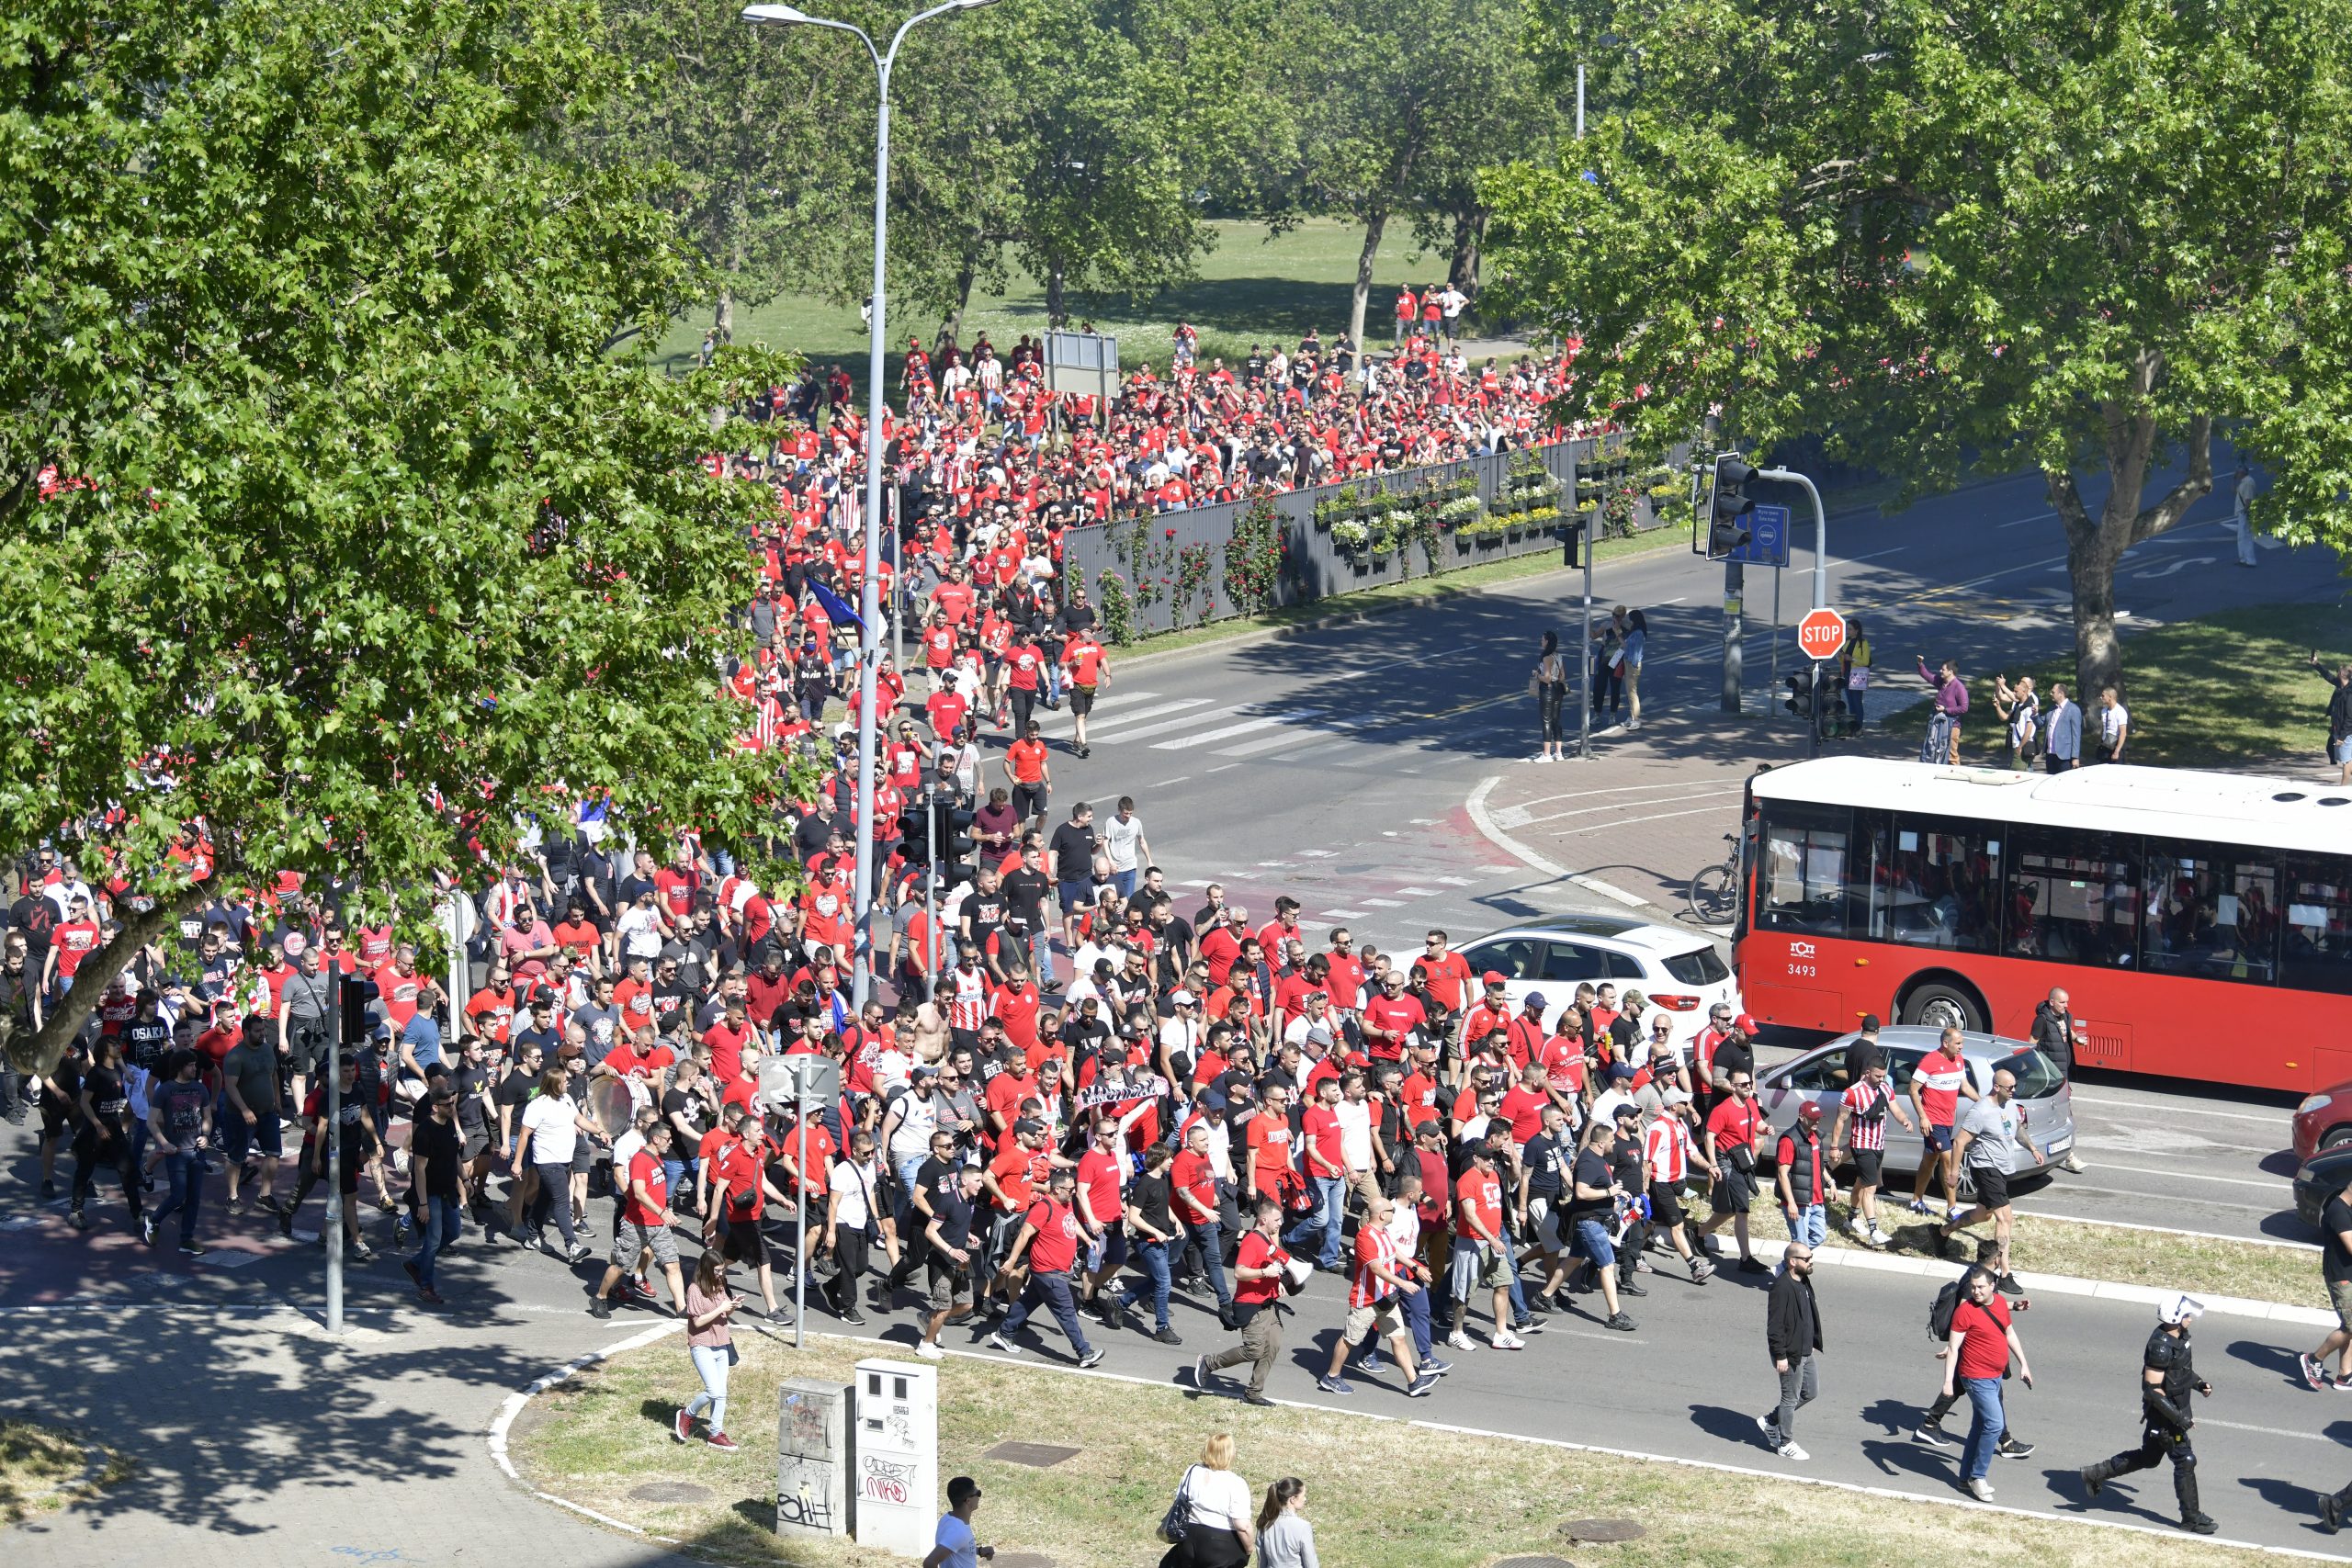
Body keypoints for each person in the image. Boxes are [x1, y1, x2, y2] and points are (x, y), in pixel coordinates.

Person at [2078, 1293, 2218, 1535]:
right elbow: (2152, 1390)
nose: (2191, 1319)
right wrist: (2179, 1418)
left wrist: (2199, 1383)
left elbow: (2181, 1373)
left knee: (2150, 1458)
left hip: (2175, 1411)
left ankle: (2094, 1474)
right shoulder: (2160, 1347)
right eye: (2186, 1315)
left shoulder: (2180, 1337)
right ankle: (2191, 1518)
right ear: (2175, 1318)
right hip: (2164, 1417)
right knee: (2185, 1460)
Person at [1915, 1235, 2035, 1458]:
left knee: (1965, 1388)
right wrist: (1954, 1346)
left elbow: (1989, 1306)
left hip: (1975, 1346)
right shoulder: (1976, 1280)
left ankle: (1930, 1425)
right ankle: (2005, 1442)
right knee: (1991, 1391)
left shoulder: (1980, 1274)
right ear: (1997, 1258)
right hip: (1974, 1348)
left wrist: (2014, 1306)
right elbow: (1965, 1311)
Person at [1942, 1066, 2039, 1286]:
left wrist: (2032, 1148)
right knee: (2005, 1218)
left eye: (2015, 1086)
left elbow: (2017, 1130)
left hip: (2001, 1168)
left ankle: (1943, 1231)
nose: (2014, 1090)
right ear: (1996, 1087)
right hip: (1985, 1168)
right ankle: (2004, 1274)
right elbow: (1959, 1141)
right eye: (2010, 1087)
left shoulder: (2010, 1104)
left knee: (1981, 1215)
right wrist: (1954, 1173)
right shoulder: (1981, 1110)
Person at [1942, 1267, 2031, 1502]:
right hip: (1975, 1377)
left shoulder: (2001, 1304)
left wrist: (2024, 1364)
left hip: (1995, 1376)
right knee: (1994, 1424)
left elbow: (2009, 1334)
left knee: (1979, 1426)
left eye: (1980, 1287)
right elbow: (1953, 1348)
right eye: (1973, 1287)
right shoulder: (1964, 1311)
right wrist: (1948, 1383)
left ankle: (1964, 1478)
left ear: (1993, 1286)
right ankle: (1977, 1476)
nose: (1976, 1291)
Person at [1195, 1199, 1288, 1406]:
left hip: (1269, 1305)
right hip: (1251, 1306)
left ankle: (1253, 1394)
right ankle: (1209, 1362)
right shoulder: (1251, 1241)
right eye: (1277, 1219)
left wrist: (1277, 1282)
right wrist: (1265, 1272)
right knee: (1254, 1350)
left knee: (1272, 1346)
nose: (1280, 1223)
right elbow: (1239, 1272)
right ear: (1263, 1219)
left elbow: (1270, 1267)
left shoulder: (1269, 1239)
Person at [1828, 1054, 1911, 1247]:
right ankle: (1874, 1231)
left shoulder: (1884, 1088)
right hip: (1862, 1145)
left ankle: (1850, 1219)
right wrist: (1834, 1146)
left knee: (1860, 1184)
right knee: (1870, 1188)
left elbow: (1895, 1109)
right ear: (1867, 1073)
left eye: (1883, 1076)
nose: (1881, 1080)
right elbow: (1840, 1120)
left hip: (1878, 1145)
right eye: (1878, 1076)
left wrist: (1905, 1120)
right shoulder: (1852, 1092)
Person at [1758, 1242, 1822, 1461]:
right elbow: (1774, 1327)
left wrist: (1812, 1340)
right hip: (1789, 1354)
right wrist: (1780, 1356)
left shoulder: (1803, 1281)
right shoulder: (1781, 1287)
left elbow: (1807, 1315)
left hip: (1805, 1350)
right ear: (1792, 1261)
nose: (1811, 1261)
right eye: (1807, 1258)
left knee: (1810, 1392)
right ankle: (1785, 1443)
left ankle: (1770, 1420)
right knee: (1789, 1398)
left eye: (1811, 1257)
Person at [1158, 1431, 1254, 1568]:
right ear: (1230, 1454)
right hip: (1221, 1543)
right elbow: (1242, 1526)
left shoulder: (1192, 1471)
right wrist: (1249, 1548)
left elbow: (1179, 1499)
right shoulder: (1236, 1483)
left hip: (1189, 1539)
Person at [676, 1252, 741, 1450]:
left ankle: (715, 1434)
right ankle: (687, 1414)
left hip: (721, 1342)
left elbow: (723, 1311)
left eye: (722, 1270)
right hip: (702, 1344)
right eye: (717, 1270)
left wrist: (732, 1306)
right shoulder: (695, 1289)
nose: (721, 1274)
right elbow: (697, 1321)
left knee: (721, 1392)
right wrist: (720, 1307)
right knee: (713, 1390)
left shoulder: (719, 1285)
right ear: (706, 1268)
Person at [2301, 1168, 2352, 1392]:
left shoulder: (2348, 1208)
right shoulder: (2338, 1212)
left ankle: (2344, 1375)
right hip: (2341, 1277)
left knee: (2349, 1326)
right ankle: (2314, 1359)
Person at [1772, 1101, 1838, 1250]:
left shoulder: (1815, 1137)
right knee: (1801, 1244)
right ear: (1801, 1117)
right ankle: (1794, 1265)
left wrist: (1831, 1182)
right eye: (1813, 1118)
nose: (1817, 1121)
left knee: (1819, 1236)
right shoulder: (1789, 1140)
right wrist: (1791, 1203)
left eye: (1819, 1117)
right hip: (1799, 1201)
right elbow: (1782, 1174)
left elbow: (1819, 1166)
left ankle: (1789, 1264)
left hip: (1816, 1200)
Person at [923, 1475, 992, 1568]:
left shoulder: (947, 1518)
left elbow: (956, 1546)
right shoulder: (958, 1532)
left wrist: (979, 1551)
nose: (979, 1497)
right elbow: (929, 1563)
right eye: (978, 1493)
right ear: (968, 1501)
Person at [1254, 1477, 1317, 1568]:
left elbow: (1261, 1562)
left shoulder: (1265, 1524)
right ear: (1293, 1499)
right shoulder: (1303, 1527)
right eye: (1303, 1495)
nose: (1305, 1499)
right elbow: (1311, 1564)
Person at [1915, 655, 1967, 763]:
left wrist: (1946, 709)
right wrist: (1920, 664)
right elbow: (1928, 676)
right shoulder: (1942, 682)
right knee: (1934, 752)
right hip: (1937, 724)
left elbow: (1964, 708)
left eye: (1943, 669)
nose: (1940, 671)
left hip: (1952, 726)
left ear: (1951, 671)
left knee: (1952, 756)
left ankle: (1956, 776)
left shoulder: (1959, 687)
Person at [2310, 652, 2352, 786]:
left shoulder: (2349, 694)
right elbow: (2328, 676)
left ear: (2341, 675)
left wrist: (2342, 736)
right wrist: (2316, 664)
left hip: (2347, 732)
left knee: (2346, 761)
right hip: (2339, 729)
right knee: (2338, 754)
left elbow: (2350, 718)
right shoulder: (2341, 686)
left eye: (2338, 672)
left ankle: (2343, 788)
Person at [1532, 630, 1569, 763]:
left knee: (1546, 721)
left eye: (1542, 640)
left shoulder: (1546, 657)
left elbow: (1546, 679)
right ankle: (1558, 753)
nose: (1541, 642)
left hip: (1547, 690)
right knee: (1556, 720)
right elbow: (1562, 676)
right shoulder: (1558, 656)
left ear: (1547, 642)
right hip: (1558, 689)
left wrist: (1537, 675)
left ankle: (1546, 754)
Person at [2041, 681, 2082, 772]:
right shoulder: (2052, 709)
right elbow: (2040, 723)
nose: (2050, 693)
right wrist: (2035, 714)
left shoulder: (2073, 709)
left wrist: (2075, 757)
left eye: (2053, 692)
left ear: (2061, 694)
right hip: (2050, 754)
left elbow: (2076, 735)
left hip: (2064, 756)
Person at [2232, 458, 2257, 567]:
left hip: (2245, 512)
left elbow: (2248, 499)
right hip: (2242, 512)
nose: (2236, 474)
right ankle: (2243, 559)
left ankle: (2250, 560)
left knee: (2245, 536)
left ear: (2242, 472)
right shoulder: (2243, 482)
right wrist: (2234, 480)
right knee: (2242, 537)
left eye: (2237, 472)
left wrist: (2246, 510)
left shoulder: (2247, 482)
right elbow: (2234, 492)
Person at [2095, 684, 2129, 763]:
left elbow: (2123, 733)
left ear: (2110, 697)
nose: (2101, 698)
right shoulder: (2104, 710)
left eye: (2103, 696)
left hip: (2115, 745)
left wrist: (2116, 751)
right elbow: (2104, 728)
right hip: (2105, 744)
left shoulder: (2120, 712)